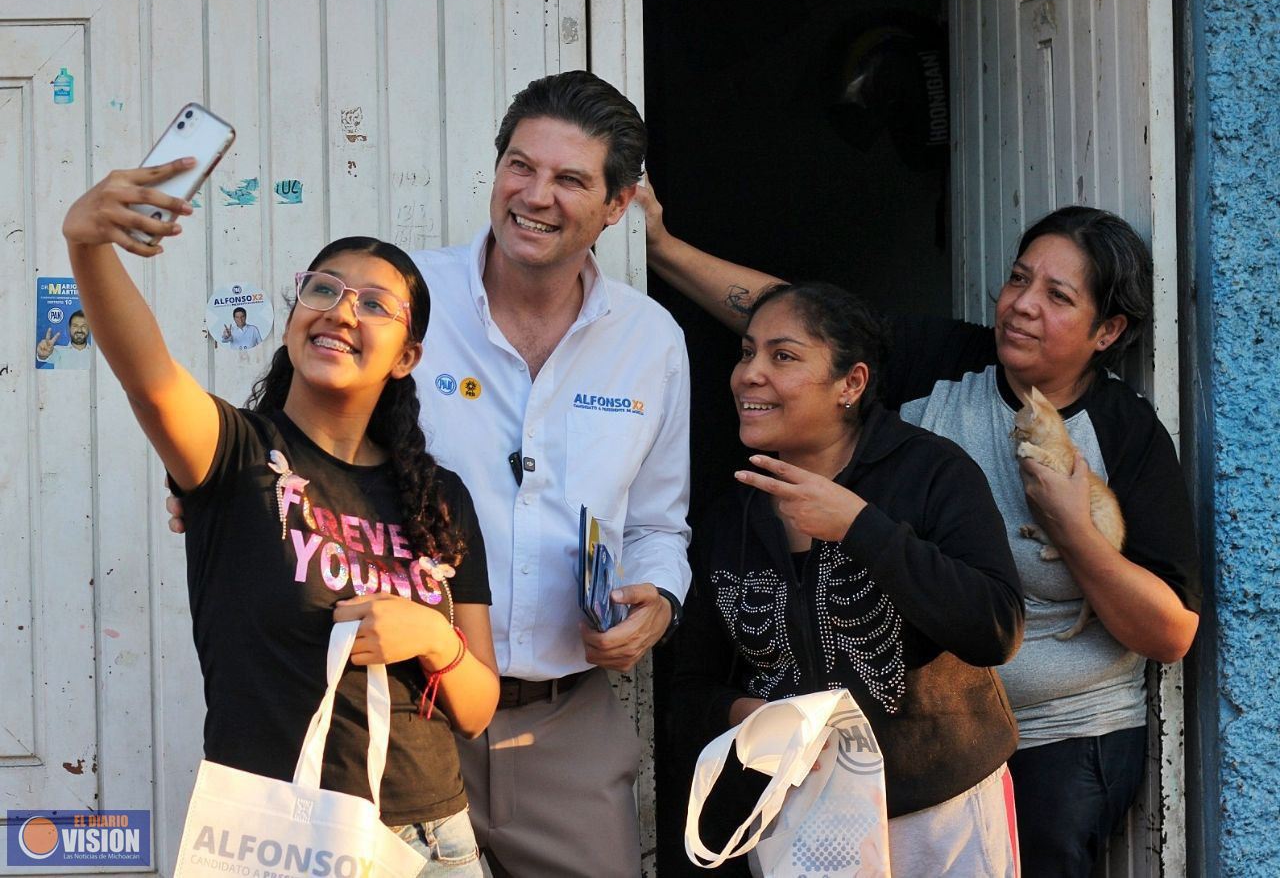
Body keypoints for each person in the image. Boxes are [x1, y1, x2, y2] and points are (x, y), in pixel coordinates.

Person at [169, 71, 692, 877]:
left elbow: (661, 523)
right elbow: (301, 429)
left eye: (570, 179)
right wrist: (216, 494)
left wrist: (655, 600)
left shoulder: (650, 341)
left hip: (562, 727)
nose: (535, 195)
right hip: (392, 725)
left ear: (617, 205)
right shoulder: (406, 300)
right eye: (521, 165)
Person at [642, 188, 1201, 877]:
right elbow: (811, 325)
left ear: (1107, 331)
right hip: (881, 754)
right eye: (1019, 279)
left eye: (1058, 296)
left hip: (1059, 737)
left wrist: (1071, 528)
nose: (1023, 303)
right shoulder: (948, 365)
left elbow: (1170, 632)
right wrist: (661, 248)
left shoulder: (1123, 430)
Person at [62, 165, 500, 876]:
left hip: (429, 839)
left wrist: (433, 635)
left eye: (375, 304)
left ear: (407, 357)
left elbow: (478, 707)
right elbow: (148, 375)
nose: (341, 310)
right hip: (274, 839)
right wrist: (88, 248)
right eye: (322, 289)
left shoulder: (439, 500)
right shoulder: (233, 457)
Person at [674, 281, 1024, 876]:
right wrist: (748, 715)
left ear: (851, 384)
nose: (749, 374)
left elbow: (995, 628)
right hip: (797, 817)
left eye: (782, 356)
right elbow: (688, 690)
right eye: (746, 352)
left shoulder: (932, 473)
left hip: (943, 815)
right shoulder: (729, 516)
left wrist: (860, 527)